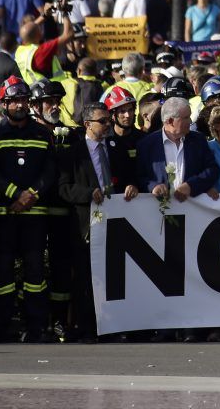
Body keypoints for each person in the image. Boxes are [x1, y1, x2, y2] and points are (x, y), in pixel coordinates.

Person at [57, 102, 139, 343]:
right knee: (86, 277)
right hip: (85, 224)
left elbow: (130, 177)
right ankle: (88, 328)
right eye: (102, 121)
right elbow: (64, 188)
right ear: (87, 124)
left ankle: (114, 326)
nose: (107, 125)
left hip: (116, 221)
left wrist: (132, 186)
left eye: (108, 120)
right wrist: (87, 194)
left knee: (115, 275)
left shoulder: (117, 147)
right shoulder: (72, 153)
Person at [0, 77, 57, 343]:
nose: (20, 105)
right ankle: (0, 327)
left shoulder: (42, 134)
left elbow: (50, 171)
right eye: (14, 100)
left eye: (23, 100)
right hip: (3, 214)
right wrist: (15, 194)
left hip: (35, 215)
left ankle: (36, 327)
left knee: (35, 273)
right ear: (4, 103)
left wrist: (32, 194)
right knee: (3, 274)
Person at [136, 96, 220, 205]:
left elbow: (213, 170)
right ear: (170, 121)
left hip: (193, 209)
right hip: (159, 211)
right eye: (186, 117)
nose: (190, 121)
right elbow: (139, 177)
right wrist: (153, 186)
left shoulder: (198, 140)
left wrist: (191, 185)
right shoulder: (146, 145)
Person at [15, 12, 74, 85]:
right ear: (39, 34)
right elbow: (69, 34)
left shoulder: (20, 50)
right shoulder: (42, 51)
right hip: (54, 91)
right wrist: (65, 13)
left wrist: (45, 15)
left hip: (34, 92)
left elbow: (29, 30)